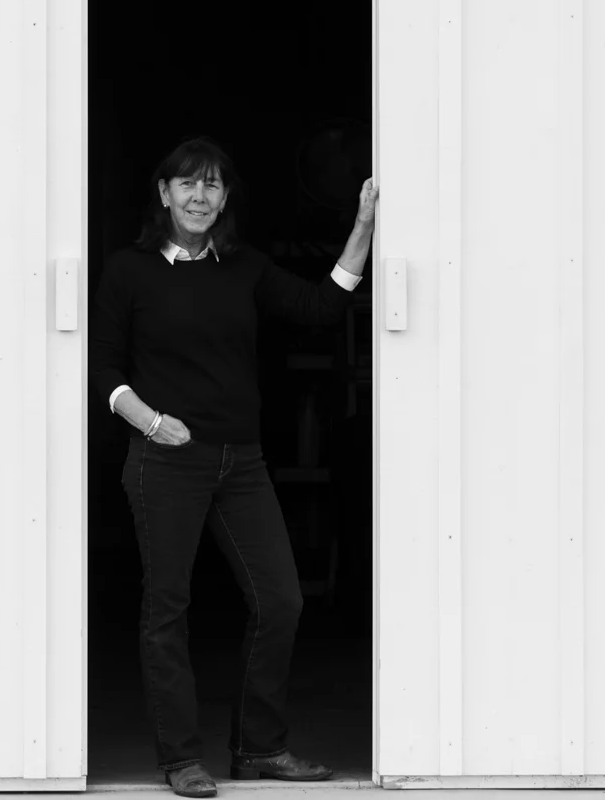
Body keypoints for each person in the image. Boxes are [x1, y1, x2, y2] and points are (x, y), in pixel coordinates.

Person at [91, 135, 378, 798]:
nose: (199, 196)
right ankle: (180, 759)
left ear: (225, 199)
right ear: (164, 193)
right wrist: (150, 421)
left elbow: (320, 307)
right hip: (164, 460)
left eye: (212, 184)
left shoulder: (244, 266)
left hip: (241, 462)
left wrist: (363, 226)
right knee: (168, 609)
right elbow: (102, 365)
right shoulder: (129, 270)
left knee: (280, 600)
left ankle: (259, 747)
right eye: (187, 183)